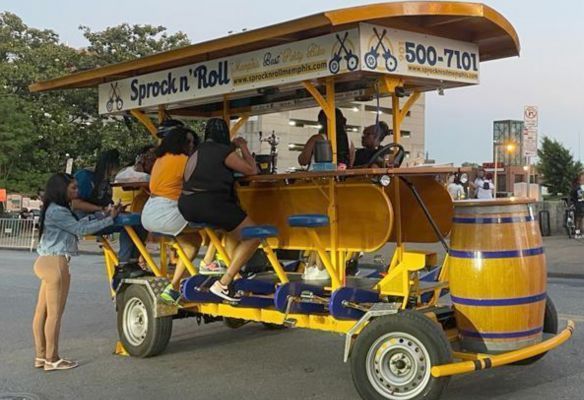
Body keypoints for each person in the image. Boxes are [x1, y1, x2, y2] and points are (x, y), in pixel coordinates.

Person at [33, 173, 120, 371]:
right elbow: (80, 230)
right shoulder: (59, 211)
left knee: (42, 312)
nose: (77, 191)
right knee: (54, 315)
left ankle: (41, 356)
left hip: (46, 261)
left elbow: (78, 224)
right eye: (73, 188)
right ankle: (52, 359)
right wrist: (110, 219)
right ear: (60, 189)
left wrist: (103, 215)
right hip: (57, 263)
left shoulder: (53, 209)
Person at [178, 118, 259, 302]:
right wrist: (243, 146)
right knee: (253, 236)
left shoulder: (196, 151)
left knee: (230, 230)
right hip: (210, 203)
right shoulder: (223, 151)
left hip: (186, 204)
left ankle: (231, 272)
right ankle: (224, 283)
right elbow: (251, 169)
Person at [141, 125, 206, 304]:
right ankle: (210, 264)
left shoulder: (161, 159)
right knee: (218, 223)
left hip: (150, 212)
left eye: (193, 142)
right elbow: (201, 182)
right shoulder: (184, 160)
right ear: (179, 142)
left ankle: (173, 288)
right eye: (188, 142)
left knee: (194, 243)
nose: (191, 145)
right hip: (168, 213)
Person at [73, 150, 146, 278]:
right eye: (114, 168)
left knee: (140, 222)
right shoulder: (85, 176)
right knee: (127, 225)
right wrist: (101, 208)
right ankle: (123, 265)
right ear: (109, 165)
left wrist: (115, 208)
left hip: (102, 216)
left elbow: (107, 203)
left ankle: (133, 261)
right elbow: (75, 204)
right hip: (84, 220)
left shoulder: (105, 181)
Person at [570, 172, 584, 237]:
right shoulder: (578, 188)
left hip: (576, 204)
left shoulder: (574, 187)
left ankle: (578, 232)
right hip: (579, 204)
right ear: (579, 180)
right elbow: (580, 197)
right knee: (579, 219)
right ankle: (579, 233)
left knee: (578, 219)